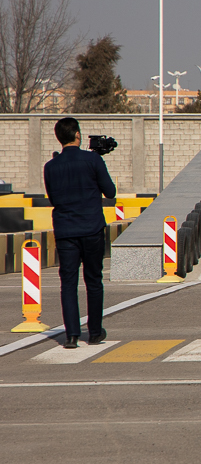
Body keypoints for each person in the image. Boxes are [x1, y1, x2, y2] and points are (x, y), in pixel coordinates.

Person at [43, 118, 116, 349]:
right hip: (92, 227)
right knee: (93, 280)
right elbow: (111, 192)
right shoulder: (92, 159)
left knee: (68, 282)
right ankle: (94, 332)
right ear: (77, 135)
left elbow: (54, 199)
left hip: (65, 230)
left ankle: (71, 335)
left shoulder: (50, 166)